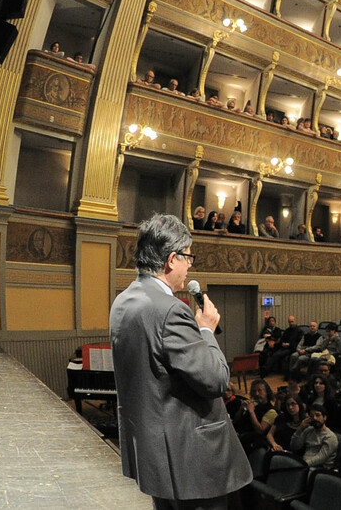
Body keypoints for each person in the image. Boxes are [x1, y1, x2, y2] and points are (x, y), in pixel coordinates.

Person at [109, 214, 251, 508]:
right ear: (172, 259)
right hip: (190, 457)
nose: (190, 265)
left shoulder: (123, 301)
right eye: (188, 257)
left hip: (155, 452)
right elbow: (215, 380)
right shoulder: (171, 310)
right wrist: (206, 331)